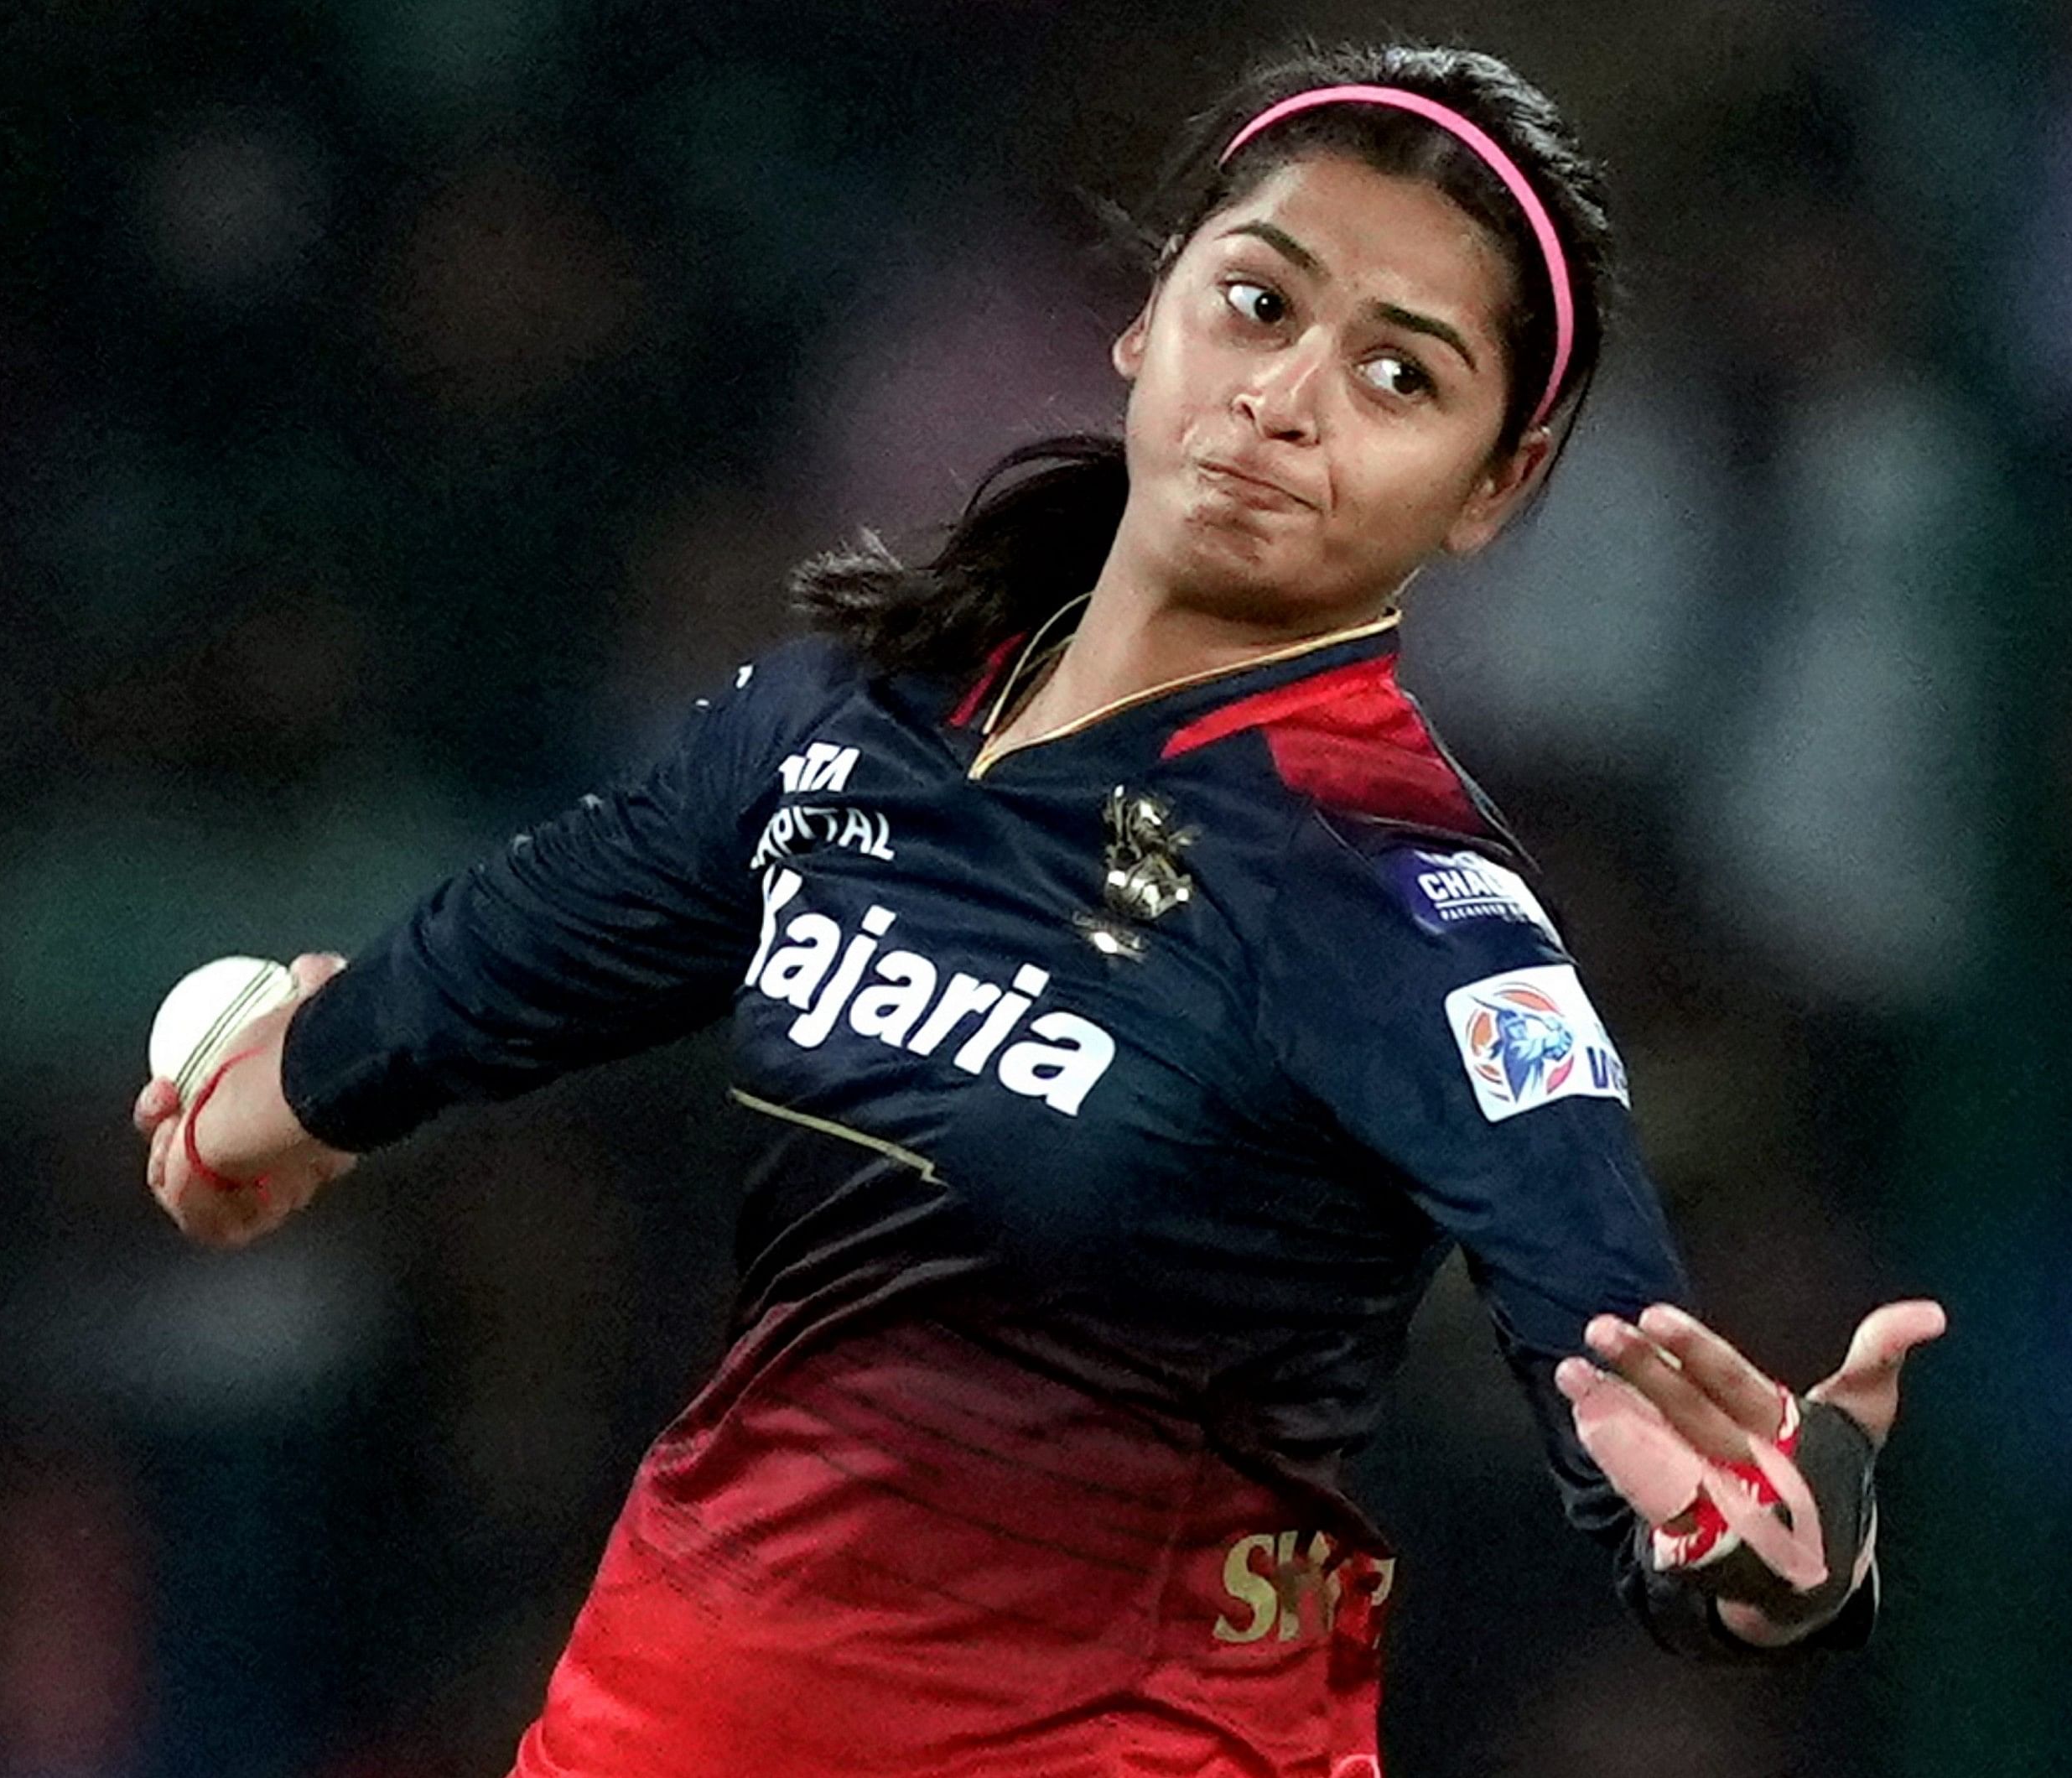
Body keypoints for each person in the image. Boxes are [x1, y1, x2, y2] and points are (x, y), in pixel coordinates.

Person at [131, 40, 1947, 1778]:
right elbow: (484, 970)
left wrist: (1774, 1541)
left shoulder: (1409, 903)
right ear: (1147, 314)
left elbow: (1650, 1411)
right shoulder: (852, 720)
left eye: (1401, 374)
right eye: (1260, 301)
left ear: (1497, 486)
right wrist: (265, 1103)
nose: (1287, 394)